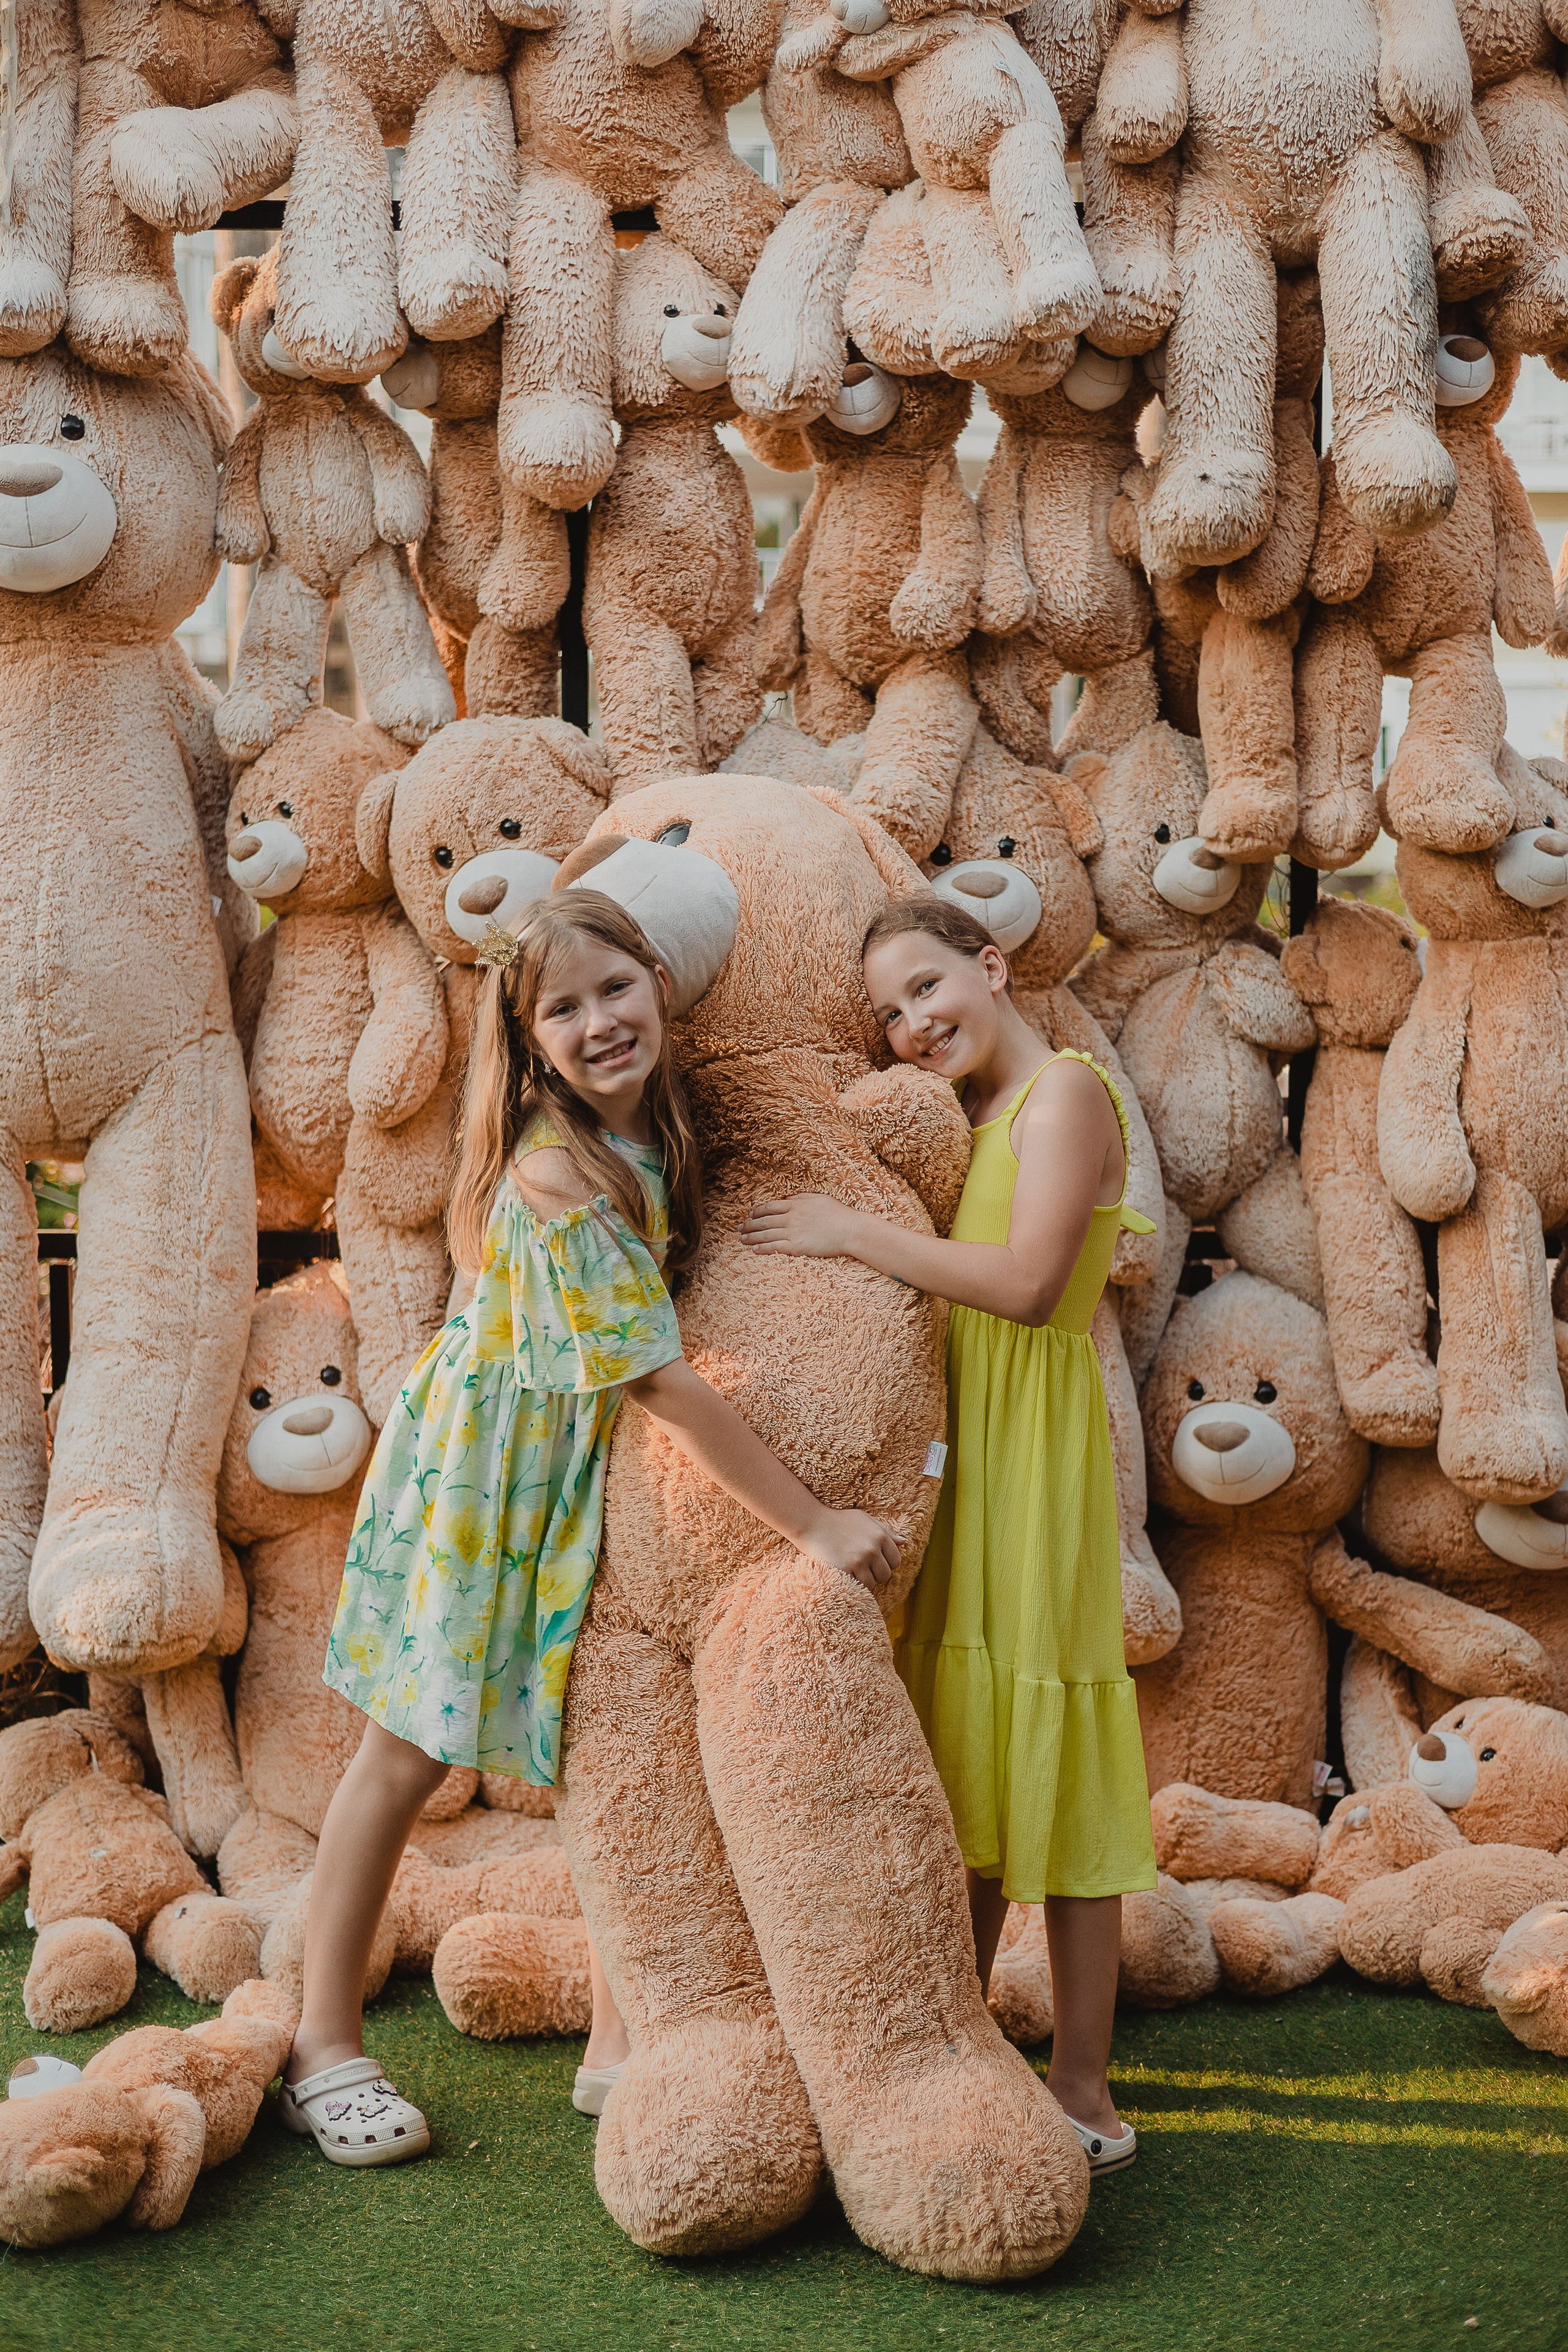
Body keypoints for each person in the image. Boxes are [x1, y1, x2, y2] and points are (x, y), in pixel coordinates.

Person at [282, 891, 903, 2165]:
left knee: (614, 1744)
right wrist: (814, 1522)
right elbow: (655, 1381)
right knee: (404, 1758)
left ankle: (626, 2030)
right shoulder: (557, 1167)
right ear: (528, 1045)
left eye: (613, 987)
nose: (597, 1021)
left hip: (576, 1481)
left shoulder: (663, 1129)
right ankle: (320, 2042)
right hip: (483, 1485)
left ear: (660, 985)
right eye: (559, 1009)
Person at [742, 896, 1158, 2174]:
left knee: (1057, 1752)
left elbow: (1034, 1289)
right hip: (958, 1455)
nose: (913, 1023)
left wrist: (848, 1235)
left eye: (927, 988)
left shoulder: (1066, 1096)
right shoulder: (965, 1124)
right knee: (961, 1755)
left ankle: (1083, 2092)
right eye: (889, 1013)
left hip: (1032, 1462)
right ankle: (954, 2049)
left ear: (991, 967)